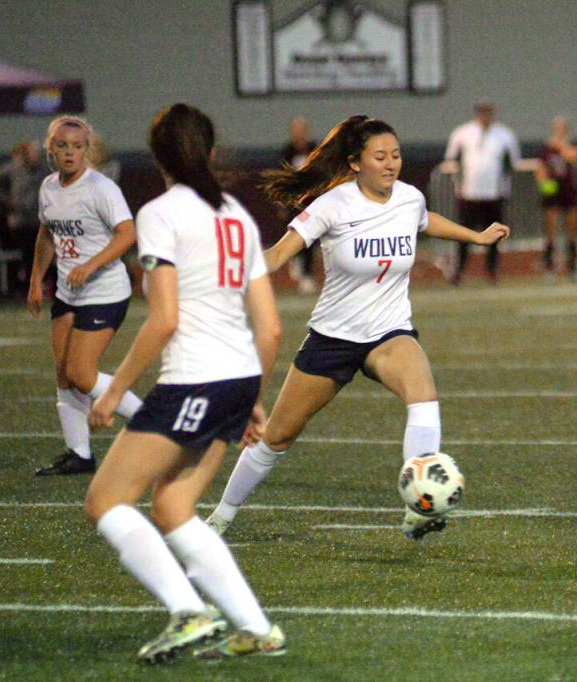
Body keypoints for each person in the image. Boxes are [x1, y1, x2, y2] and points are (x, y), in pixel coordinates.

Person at [205, 115, 509, 540]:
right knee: (277, 435)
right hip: (333, 337)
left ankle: (418, 507)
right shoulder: (332, 205)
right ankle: (221, 515)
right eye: (379, 156)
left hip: (389, 332)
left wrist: (475, 237)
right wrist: (233, 267)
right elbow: (277, 256)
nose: (391, 164)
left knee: (423, 396)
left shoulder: (409, 199)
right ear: (354, 163)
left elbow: (425, 221)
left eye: (396, 155)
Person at [85, 102, 285, 662]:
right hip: (237, 376)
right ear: (210, 149)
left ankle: (190, 611)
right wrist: (252, 397)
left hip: (195, 380)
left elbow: (165, 318)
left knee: (105, 500)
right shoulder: (237, 216)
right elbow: (269, 327)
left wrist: (113, 388)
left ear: (158, 156)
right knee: (173, 506)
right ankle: (255, 626)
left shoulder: (161, 213)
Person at [28, 116, 144, 476]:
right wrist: (35, 279)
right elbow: (47, 235)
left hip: (105, 291)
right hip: (68, 291)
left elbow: (128, 234)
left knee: (82, 373)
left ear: (86, 151)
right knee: (64, 373)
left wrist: (91, 265)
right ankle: (79, 454)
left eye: (78, 147)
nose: (70, 153)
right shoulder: (48, 188)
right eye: (63, 146)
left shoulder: (101, 188)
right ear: (52, 149)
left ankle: (153, 423)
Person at [443, 100, 520, 284]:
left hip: (494, 194)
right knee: (464, 235)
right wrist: (458, 186)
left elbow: (512, 163)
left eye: (489, 112)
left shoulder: (505, 135)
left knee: (494, 236)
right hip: (469, 193)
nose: (486, 116)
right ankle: (459, 271)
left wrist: (504, 188)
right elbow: (452, 160)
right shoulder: (463, 133)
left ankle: (492, 272)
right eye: (483, 112)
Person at [535, 116, 577, 281]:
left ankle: (574, 268)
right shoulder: (547, 148)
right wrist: (544, 183)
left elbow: (572, 156)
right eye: (557, 127)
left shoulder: (571, 143)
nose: (560, 129)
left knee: (572, 233)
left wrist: (560, 145)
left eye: (562, 127)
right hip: (553, 193)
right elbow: (540, 169)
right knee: (551, 233)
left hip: (571, 193)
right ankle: (549, 269)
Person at [0, 140, 43, 290]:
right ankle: (23, 284)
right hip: (20, 222)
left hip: (38, 220)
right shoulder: (13, 169)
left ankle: (39, 283)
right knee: (27, 249)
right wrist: (7, 201)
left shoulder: (44, 170)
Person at [280, 116, 319, 293]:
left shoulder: (314, 149)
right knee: (296, 235)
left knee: (311, 237)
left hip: (311, 203)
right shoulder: (287, 152)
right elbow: (281, 178)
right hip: (293, 203)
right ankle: (297, 263)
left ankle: (306, 272)